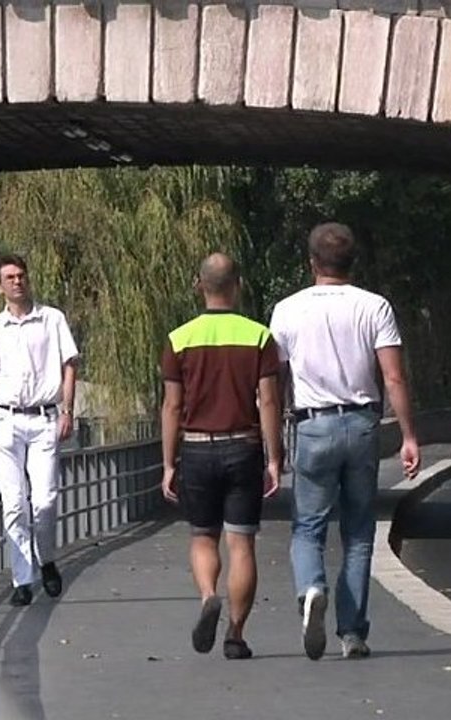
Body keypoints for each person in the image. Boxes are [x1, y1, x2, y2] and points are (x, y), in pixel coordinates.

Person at [270, 222, 421, 661]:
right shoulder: (374, 307)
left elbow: (275, 379)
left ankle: (311, 588)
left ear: (312, 262)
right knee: (357, 533)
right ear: (353, 262)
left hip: (312, 426)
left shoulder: (287, 310)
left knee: (308, 526)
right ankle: (352, 633)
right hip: (362, 426)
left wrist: (275, 443)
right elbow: (393, 375)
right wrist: (409, 435)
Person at [160, 253, 283, 660]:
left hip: (196, 448)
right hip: (243, 446)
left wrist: (168, 463)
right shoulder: (259, 337)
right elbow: (268, 401)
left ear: (200, 285)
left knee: (202, 536)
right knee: (242, 545)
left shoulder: (179, 339)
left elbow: (172, 408)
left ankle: (208, 595)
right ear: (238, 286)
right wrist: (273, 458)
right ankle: (235, 634)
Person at [0, 254, 79, 607]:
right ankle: (23, 579)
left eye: (21, 275)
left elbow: (69, 366)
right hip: (6, 420)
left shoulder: (51, 319)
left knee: (45, 499)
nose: (17, 282)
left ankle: (46, 558)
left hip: (44, 418)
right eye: (9, 277)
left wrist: (67, 410)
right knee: (15, 504)